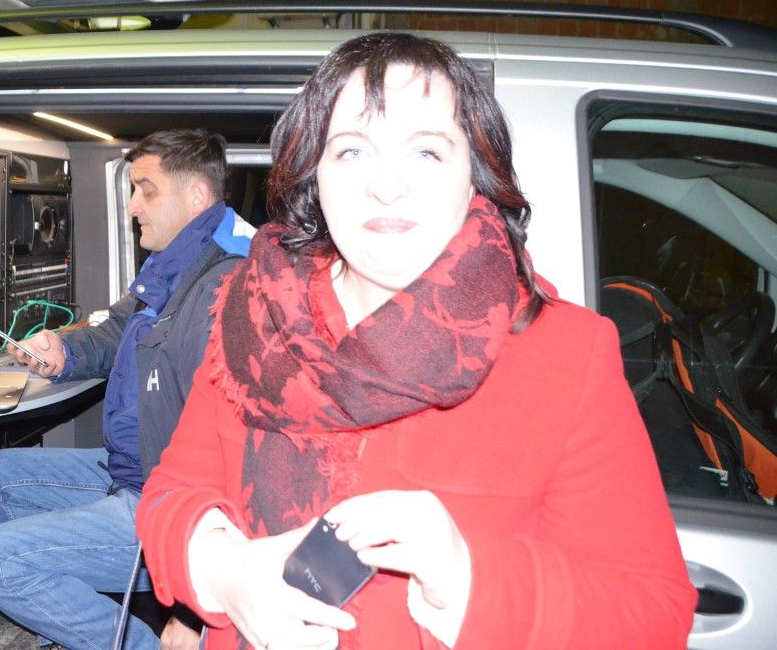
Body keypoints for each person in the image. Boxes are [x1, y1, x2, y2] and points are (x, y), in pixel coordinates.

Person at [136, 33, 697, 649]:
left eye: (427, 152)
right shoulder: (252, 314)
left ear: (475, 178)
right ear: (315, 175)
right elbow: (171, 493)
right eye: (351, 151)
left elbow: (652, 613)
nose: (386, 186)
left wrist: (469, 582)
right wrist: (226, 570)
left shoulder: (566, 353)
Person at [0, 128, 256, 650]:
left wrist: (192, 612)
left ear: (196, 196)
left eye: (146, 190)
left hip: (169, 500)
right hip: (135, 465)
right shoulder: (177, 261)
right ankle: (67, 623)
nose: (132, 206)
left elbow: (233, 454)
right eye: (132, 189)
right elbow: (122, 327)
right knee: (1, 474)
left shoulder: (225, 287)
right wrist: (64, 351)